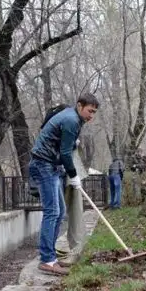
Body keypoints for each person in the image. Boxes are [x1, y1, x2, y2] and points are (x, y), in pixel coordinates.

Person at [28, 93, 98, 275]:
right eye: (90, 111)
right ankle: (47, 260)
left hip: (50, 164)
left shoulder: (75, 118)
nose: (92, 116)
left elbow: (64, 145)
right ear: (80, 105)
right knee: (52, 211)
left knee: (59, 212)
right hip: (44, 164)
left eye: (94, 112)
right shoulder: (71, 120)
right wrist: (73, 175)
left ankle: (49, 256)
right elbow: (66, 153)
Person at [56, 144, 88, 266]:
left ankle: (76, 250)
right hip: (61, 170)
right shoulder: (68, 124)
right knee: (55, 213)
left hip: (70, 171)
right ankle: (48, 252)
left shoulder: (74, 125)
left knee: (75, 212)